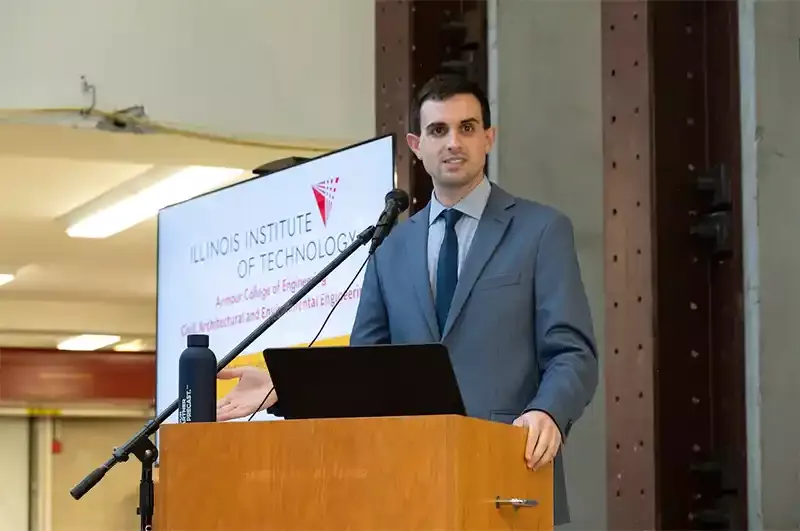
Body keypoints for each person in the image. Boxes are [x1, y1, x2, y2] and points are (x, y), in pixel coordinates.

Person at [215, 73, 598, 526]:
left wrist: (547, 411)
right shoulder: (389, 249)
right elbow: (363, 372)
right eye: (439, 131)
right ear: (416, 145)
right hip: (407, 485)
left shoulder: (540, 231)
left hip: (510, 475)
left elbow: (573, 352)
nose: (453, 142)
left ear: (489, 138)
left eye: (467, 128)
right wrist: (284, 389)